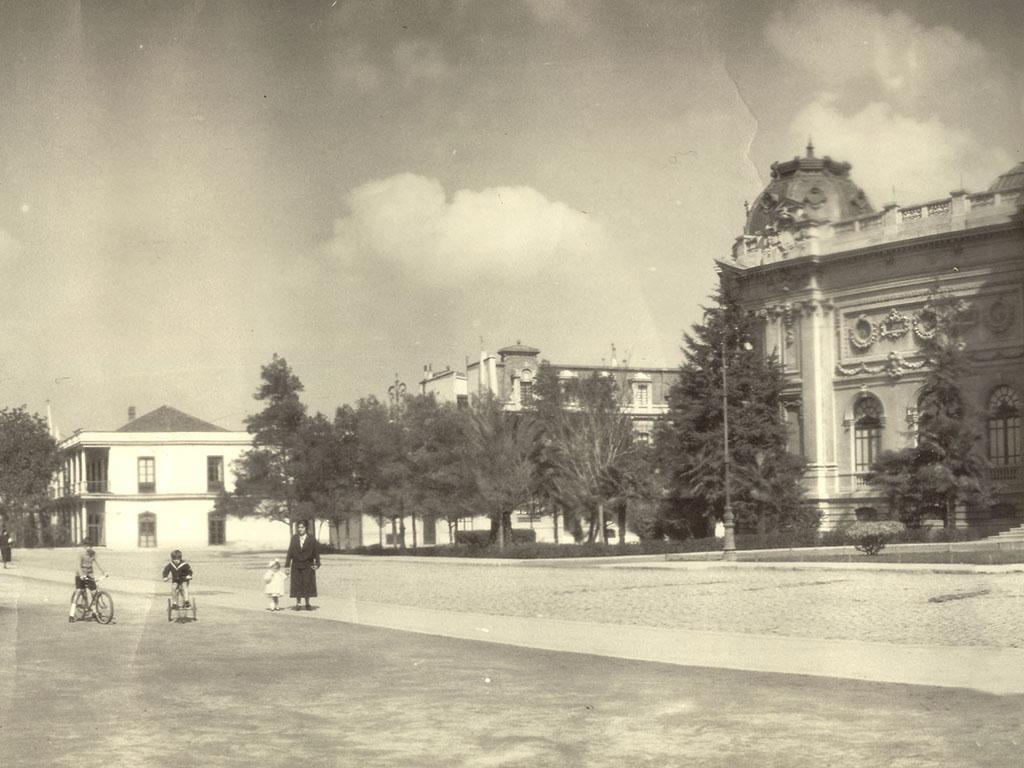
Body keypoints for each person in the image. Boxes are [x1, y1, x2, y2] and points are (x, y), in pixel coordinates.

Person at [68, 540, 108, 622]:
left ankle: (94, 612)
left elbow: (98, 563)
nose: (89, 548)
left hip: (90, 574)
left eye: (91, 546)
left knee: (94, 593)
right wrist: (81, 575)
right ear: (84, 546)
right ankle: (71, 615)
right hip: (80, 574)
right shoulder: (81, 554)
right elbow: (78, 566)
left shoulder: (93, 553)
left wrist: (104, 572)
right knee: (79, 591)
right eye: (87, 546)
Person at [284, 520, 320, 610]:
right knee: (297, 584)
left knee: (307, 584)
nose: (300, 529)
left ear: (306, 528)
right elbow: (290, 552)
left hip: (308, 565)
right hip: (296, 565)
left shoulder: (311, 538)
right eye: (298, 527)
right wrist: (287, 566)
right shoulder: (294, 538)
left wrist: (318, 563)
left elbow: (316, 552)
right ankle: (298, 603)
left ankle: (307, 603)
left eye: (302, 527)